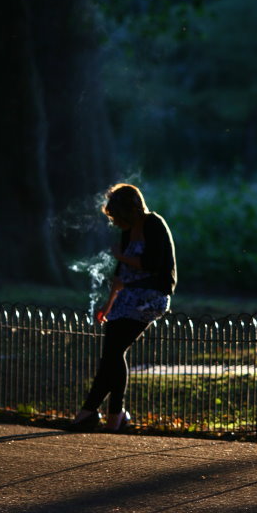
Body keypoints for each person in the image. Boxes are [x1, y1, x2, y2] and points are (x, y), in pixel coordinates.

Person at [67, 183, 177, 432]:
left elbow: (151, 264)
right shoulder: (128, 232)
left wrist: (120, 255)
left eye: (117, 216)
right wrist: (108, 303)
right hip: (126, 297)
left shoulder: (154, 224)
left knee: (114, 353)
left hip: (150, 296)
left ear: (129, 210)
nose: (115, 222)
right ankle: (107, 415)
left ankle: (96, 413)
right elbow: (122, 274)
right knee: (112, 355)